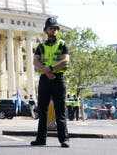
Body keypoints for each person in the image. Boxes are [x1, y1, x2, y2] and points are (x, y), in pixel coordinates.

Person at [31, 17, 69, 148]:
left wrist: (51, 68)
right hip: (45, 80)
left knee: (60, 111)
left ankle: (64, 139)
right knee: (43, 111)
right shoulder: (41, 46)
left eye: (55, 28)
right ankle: (41, 139)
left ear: (57, 30)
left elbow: (65, 61)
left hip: (58, 79)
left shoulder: (63, 45)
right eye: (50, 28)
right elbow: (35, 61)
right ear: (46, 30)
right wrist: (45, 70)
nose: (53, 30)